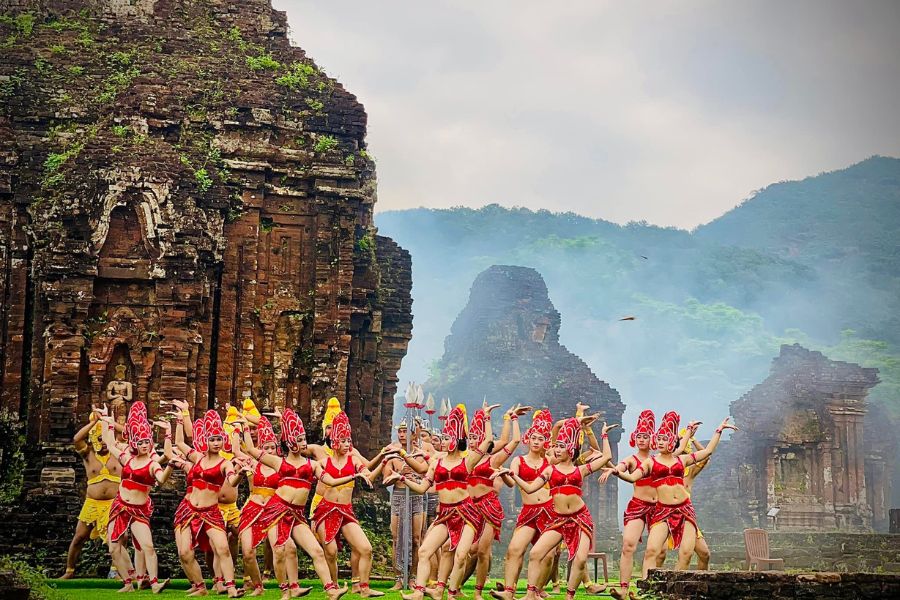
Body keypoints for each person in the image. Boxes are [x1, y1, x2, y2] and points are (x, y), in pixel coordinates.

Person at [243, 408, 382, 600]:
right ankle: (286, 591)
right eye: (298, 439)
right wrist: (241, 428)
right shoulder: (278, 462)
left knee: (316, 550)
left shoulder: (313, 465)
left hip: (297, 514)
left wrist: (355, 475)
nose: (302, 443)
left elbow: (331, 481)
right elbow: (251, 450)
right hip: (276, 510)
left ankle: (331, 590)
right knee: (280, 550)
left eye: (302, 439)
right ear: (289, 442)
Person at [496, 415, 617, 600]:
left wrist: (604, 435)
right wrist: (512, 474)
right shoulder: (550, 469)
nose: (557, 449)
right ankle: (530, 595)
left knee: (580, 558)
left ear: (571, 450)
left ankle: (570, 596)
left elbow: (606, 456)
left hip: (579, 517)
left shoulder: (580, 469)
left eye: (561, 446)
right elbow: (529, 487)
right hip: (558, 519)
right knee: (536, 553)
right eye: (556, 446)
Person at [601, 413, 735, 577]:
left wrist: (718, 431)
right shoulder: (651, 462)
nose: (660, 442)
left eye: (665, 439)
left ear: (671, 442)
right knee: (652, 550)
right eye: (659, 439)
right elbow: (631, 477)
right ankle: (646, 589)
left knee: (686, 553)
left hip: (685, 509)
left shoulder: (682, 460)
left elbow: (707, 452)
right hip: (663, 511)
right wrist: (616, 471)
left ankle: (677, 589)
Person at [96, 402, 174, 593]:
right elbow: (109, 442)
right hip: (120, 506)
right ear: (135, 444)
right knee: (113, 548)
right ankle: (128, 583)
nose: (145, 445)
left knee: (147, 546)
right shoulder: (126, 458)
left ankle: (154, 583)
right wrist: (108, 421)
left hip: (138, 510)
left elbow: (162, 478)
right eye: (140, 442)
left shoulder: (153, 463)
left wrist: (170, 463)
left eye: (147, 442)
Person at [312, 411, 391, 598]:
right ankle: (334, 587)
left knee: (366, 548)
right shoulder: (324, 462)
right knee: (330, 552)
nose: (348, 444)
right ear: (336, 442)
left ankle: (364, 588)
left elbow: (369, 474)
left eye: (349, 440)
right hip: (326, 510)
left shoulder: (354, 460)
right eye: (344, 441)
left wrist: (383, 459)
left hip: (345, 511)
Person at [166, 410, 244, 598]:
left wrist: (240, 473)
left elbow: (231, 481)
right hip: (187, 509)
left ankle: (231, 588)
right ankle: (200, 587)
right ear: (206, 441)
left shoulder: (225, 463)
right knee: (185, 553)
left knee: (223, 548)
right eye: (212, 440)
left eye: (219, 439)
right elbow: (180, 443)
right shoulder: (197, 458)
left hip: (210, 512)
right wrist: (179, 420)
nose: (216, 443)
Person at [464, 405, 528, 600]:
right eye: (471, 437)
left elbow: (513, 440)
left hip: (489, 507)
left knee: (482, 551)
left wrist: (510, 418)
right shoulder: (464, 459)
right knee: (468, 550)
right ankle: (454, 586)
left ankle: (477, 591)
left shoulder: (493, 460)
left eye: (479, 437)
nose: (475, 441)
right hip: (468, 507)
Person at [491, 409, 555, 600]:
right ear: (528, 439)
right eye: (533, 438)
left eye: (540, 439)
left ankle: (535, 591)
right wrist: (505, 474)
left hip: (549, 511)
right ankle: (509, 592)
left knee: (549, 554)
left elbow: (566, 449)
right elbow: (511, 483)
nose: (536, 442)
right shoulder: (519, 460)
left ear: (545, 442)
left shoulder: (549, 460)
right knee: (514, 549)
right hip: (529, 511)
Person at [61, 414, 123, 579]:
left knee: (117, 538)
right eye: (98, 438)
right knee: (79, 537)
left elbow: (128, 433)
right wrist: (94, 422)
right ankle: (69, 571)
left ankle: (115, 571)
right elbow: (76, 438)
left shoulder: (118, 452)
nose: (102, 441)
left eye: (104, 438)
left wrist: (110, 422)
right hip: (92, 503)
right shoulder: (88, 454)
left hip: (113, 503)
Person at [655, 430, 711, 571]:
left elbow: (705, 456)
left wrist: (693, 438)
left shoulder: (690, 471)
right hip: (665, 514)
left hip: (685, 515)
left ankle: (699, 584)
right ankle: (651, 584)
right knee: (660, 554)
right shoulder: (662, 467)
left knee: (704, 554)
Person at [384, 420, 425, 590]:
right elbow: (386, 480)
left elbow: (424, 471)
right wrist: (399, 474)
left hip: (415, 496)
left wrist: (413, 477)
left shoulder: (420, 454)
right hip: (399, 496)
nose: (402, 435)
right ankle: (399, 577)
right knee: (396, 538)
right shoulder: (392, 453)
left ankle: (413, 576)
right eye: (399, 431)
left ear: (413, 433)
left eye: (405, 431)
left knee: (416, 539)